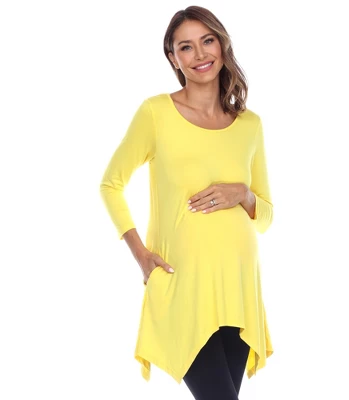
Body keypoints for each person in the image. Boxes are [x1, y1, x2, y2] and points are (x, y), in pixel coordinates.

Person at [99, 5, 274, 399]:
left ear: (222, 45)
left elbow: (265, 217)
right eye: (186, 47)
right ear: (173, 58)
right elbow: (111, 184)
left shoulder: (250, 125)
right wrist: (141, 255)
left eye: (207, 41)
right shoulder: (156, 113)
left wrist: (243, 194)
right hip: (184, 286)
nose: (200, 54)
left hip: (238, 286)